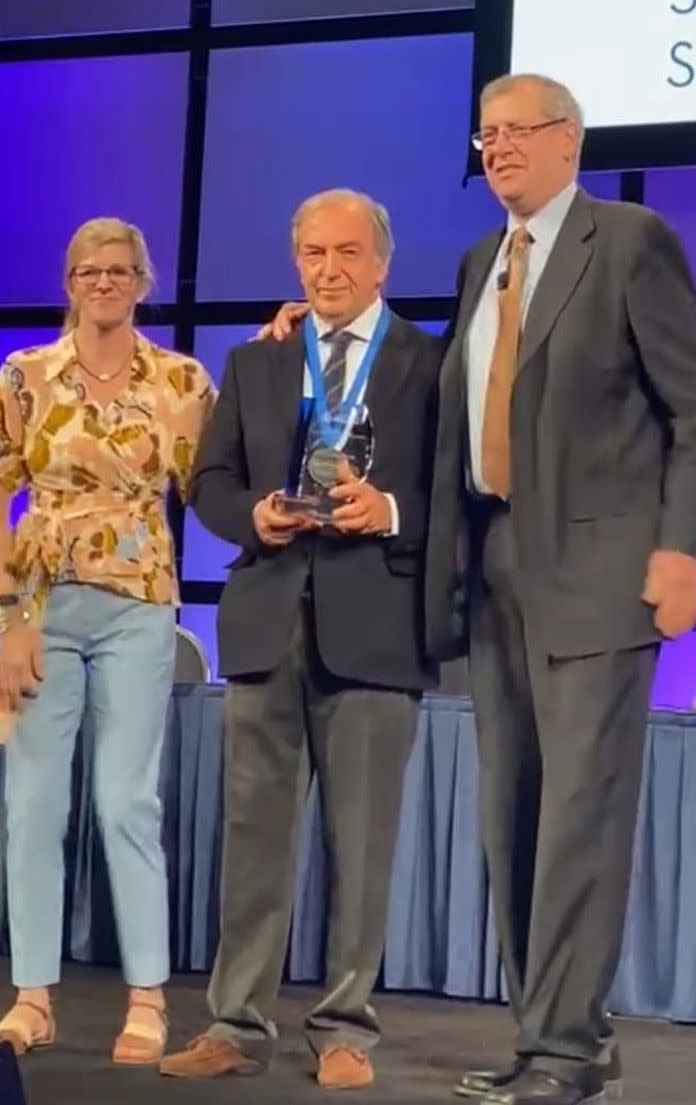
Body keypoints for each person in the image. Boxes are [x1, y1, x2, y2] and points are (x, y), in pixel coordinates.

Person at [424, 75, 696, 1105]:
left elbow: (694, 408)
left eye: (515, 132)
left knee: (581, 815)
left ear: (568, 142)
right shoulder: (475, 264)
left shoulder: (627, 241)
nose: (496, 148)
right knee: (515, 814)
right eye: (485, 134)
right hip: (495, 569)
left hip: (600, 572)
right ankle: (548, 1032)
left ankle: (569, 1053)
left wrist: (682, 550)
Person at [158, 189, 440, 1090]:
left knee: (362, 846)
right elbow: (208, 482)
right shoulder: (257, 361)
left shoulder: (429, 365)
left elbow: (465, 496)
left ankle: (346, 1027)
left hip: (376, 629)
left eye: (347, 253)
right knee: (254, 841)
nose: (328, 269)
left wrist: (389, 507)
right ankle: (235, 1022)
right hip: (267, 619)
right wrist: (255, 514)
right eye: (313, 253)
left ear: (382, 263)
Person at [0, 217, 215, 1064]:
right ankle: (34, 996)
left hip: (140, 605)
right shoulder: (26, 376)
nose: (103, 283)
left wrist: (274, 352)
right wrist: (8, 622)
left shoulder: (179, 381)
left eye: (120, 271)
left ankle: (148, 996)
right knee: (33, 801)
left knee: (125, 800)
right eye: (88, 271)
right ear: (68, 282)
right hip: (39, 611)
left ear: (145, 282)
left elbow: (217, 482)